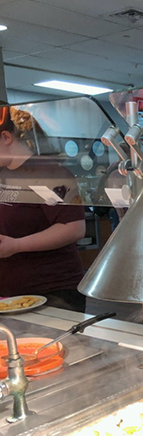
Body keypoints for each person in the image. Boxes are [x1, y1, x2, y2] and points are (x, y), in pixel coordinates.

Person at [0, 105, 87, 311]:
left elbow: (73, 227)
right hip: (11, 293)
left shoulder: (49, 173)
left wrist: (17, 245)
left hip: (53, 292)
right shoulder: (3, 173)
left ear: (6, 137)